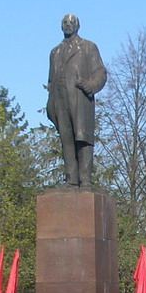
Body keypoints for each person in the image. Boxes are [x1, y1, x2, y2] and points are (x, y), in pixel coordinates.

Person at [46, 13, 108, 188]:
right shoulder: (55, 52)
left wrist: (90, 85)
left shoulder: (88, 47)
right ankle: (71, 179)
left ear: (77, 26)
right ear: (61, 26)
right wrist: (50, 102)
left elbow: (100, 72)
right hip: (60, 100)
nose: (68, 25)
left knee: (83, 137)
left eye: (71, 22)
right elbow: (50, 80)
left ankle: (85, 179)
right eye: (65, 22)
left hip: (80, 98)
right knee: (66, 138)